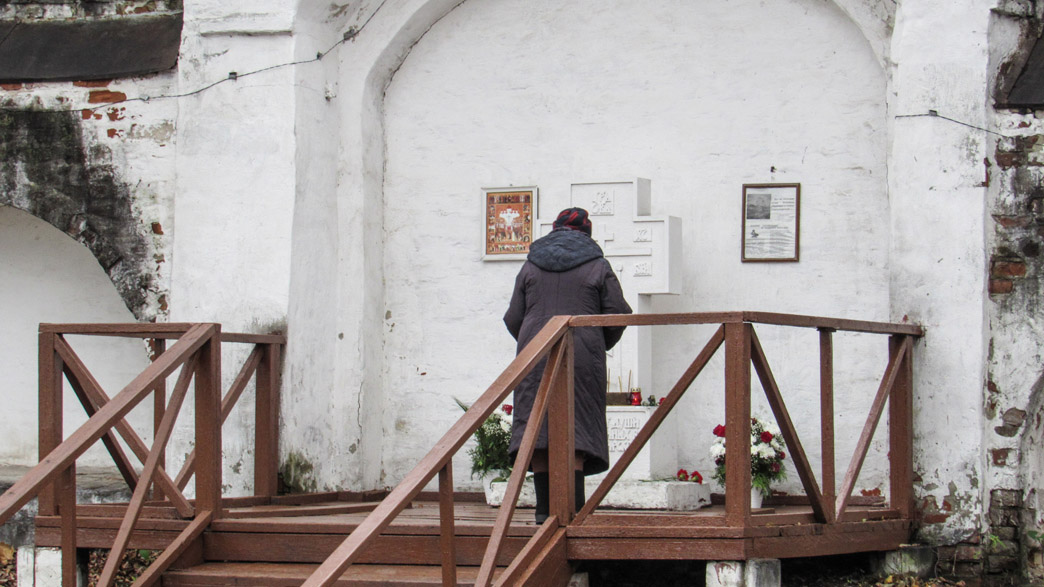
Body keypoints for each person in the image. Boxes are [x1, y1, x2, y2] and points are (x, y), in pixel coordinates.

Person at [503, 207, 632, 523]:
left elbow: (513, 317)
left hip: (535, 351)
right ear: (587, 232)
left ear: (555, 229)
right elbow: (617, 314)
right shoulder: (597, 264)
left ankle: (543, 513)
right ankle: (572, 516)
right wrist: (596, 343)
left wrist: (532, 339)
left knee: (538, 427)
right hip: (581, 354)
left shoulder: (531, 265)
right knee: (577, 427)